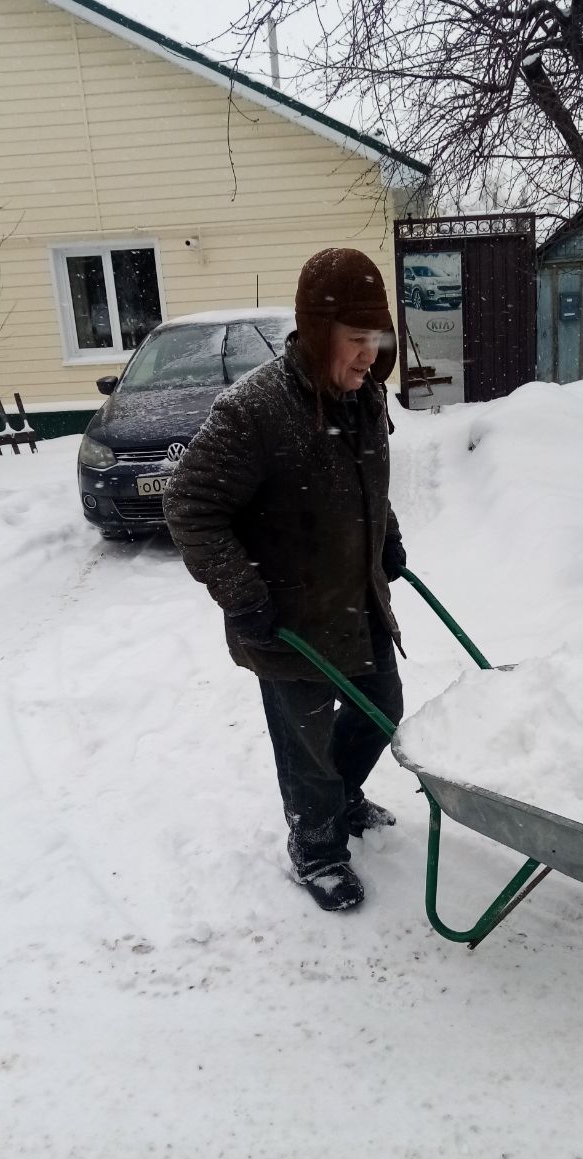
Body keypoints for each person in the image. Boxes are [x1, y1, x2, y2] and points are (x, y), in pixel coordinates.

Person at [163, 247, 407, 912]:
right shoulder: (255, 410)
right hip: (287, 618)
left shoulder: (364, 397)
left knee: (382, 710)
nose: (368, 355)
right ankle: (317, 848)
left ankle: (342, 802)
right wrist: (242, 594)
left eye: (375, 339)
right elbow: (190, 507)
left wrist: (388, 537)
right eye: (356, 340)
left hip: (356, 603)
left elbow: (363, 483)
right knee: (310, 751)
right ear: (319, 330)